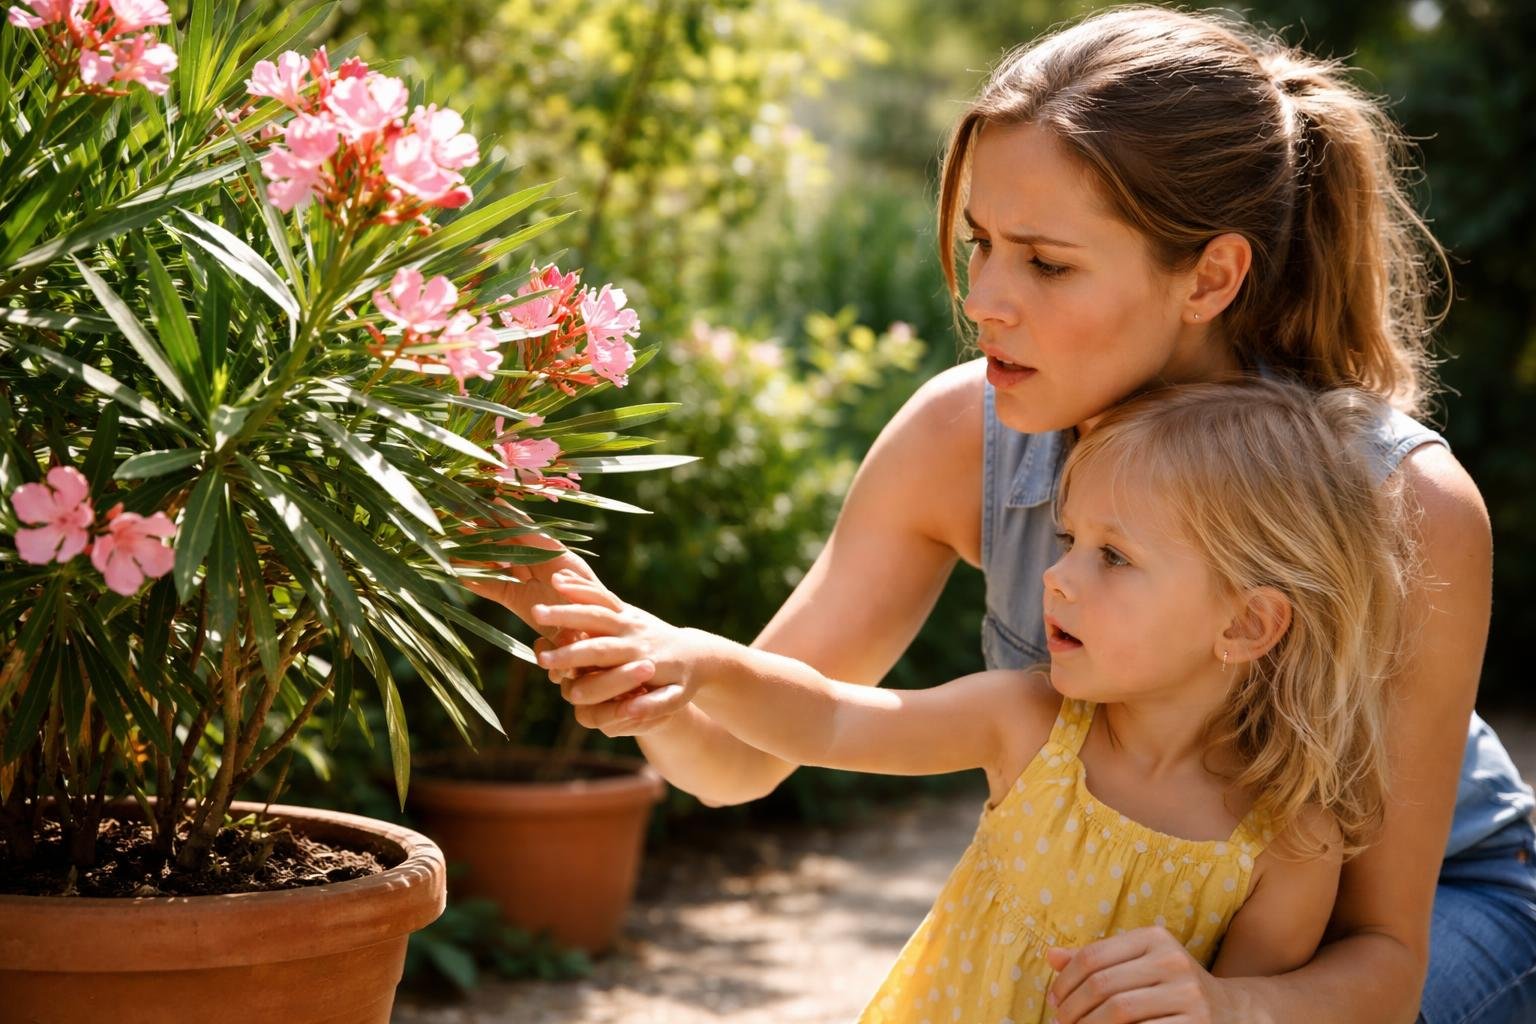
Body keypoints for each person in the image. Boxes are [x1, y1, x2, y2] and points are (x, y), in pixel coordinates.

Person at [467, 7, 1536, 1021]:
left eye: (1047, 261)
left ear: (1210, 275)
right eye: (981, 242)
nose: (982, 298)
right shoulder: (959, 434)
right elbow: (738, 760)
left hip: (1415, 927)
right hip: (1155, 948)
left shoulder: (1402, 502)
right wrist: (591, 618)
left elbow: (1383, 964)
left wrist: (1228, 1003)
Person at [531, 380, 1408, 1023]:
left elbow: (1250, 1004)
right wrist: (707, 665)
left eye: (1115, 556)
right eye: (1070, 539)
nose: (1056, 577)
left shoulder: (1291, 838)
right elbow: (834, 716)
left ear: (1248, 623)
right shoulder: (1028, 724)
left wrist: (1215, 1005)